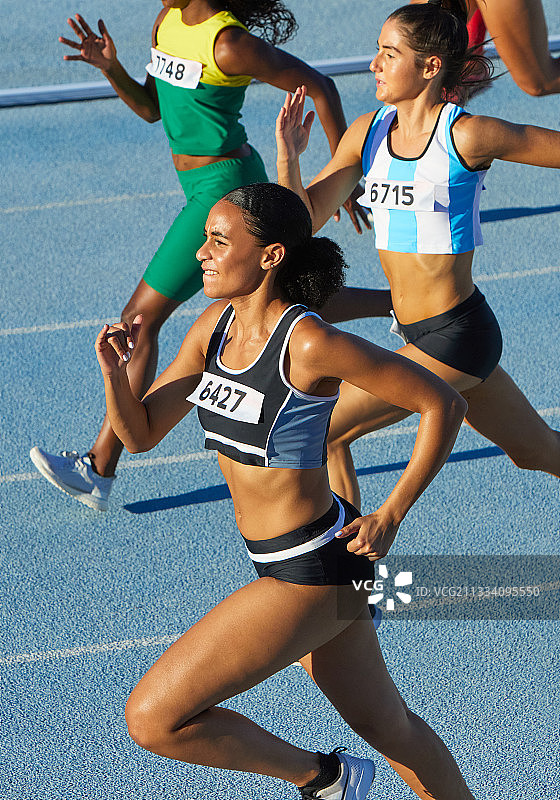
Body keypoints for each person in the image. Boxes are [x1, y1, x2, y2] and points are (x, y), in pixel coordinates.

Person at [95, 182, 471, 800]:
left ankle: (323, 777)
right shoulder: (212, 329)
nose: (202, 254)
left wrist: (392, 512)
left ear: (269, 256)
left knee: (154, 718)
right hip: (296, 562)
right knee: (390, 727)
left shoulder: (310, 343)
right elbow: (138, 436)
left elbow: (442, 403)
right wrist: (115, 376)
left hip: (311, 569)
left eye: (218, 240)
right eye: (204, 240)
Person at [30, 0, 362, 511]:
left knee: (138, 318)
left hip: (224, 186)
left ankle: (99, 467)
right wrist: (111, 67)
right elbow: (151, 107)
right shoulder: (166, 22)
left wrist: (347, 170)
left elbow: (322, 84)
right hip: (197, 185)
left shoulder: (228, 43)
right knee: (266, 304)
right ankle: (391, 311)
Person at [275, 0, 560, 509]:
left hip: (457, 334)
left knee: (325, 430)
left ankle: (347, 578)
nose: (374, 64)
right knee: (537, 452)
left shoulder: (466, 134)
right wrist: (288, 158)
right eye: (377, 52)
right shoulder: (368, 133)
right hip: (417, 331)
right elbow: (304, 220)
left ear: (430, 67)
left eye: (389, 53)